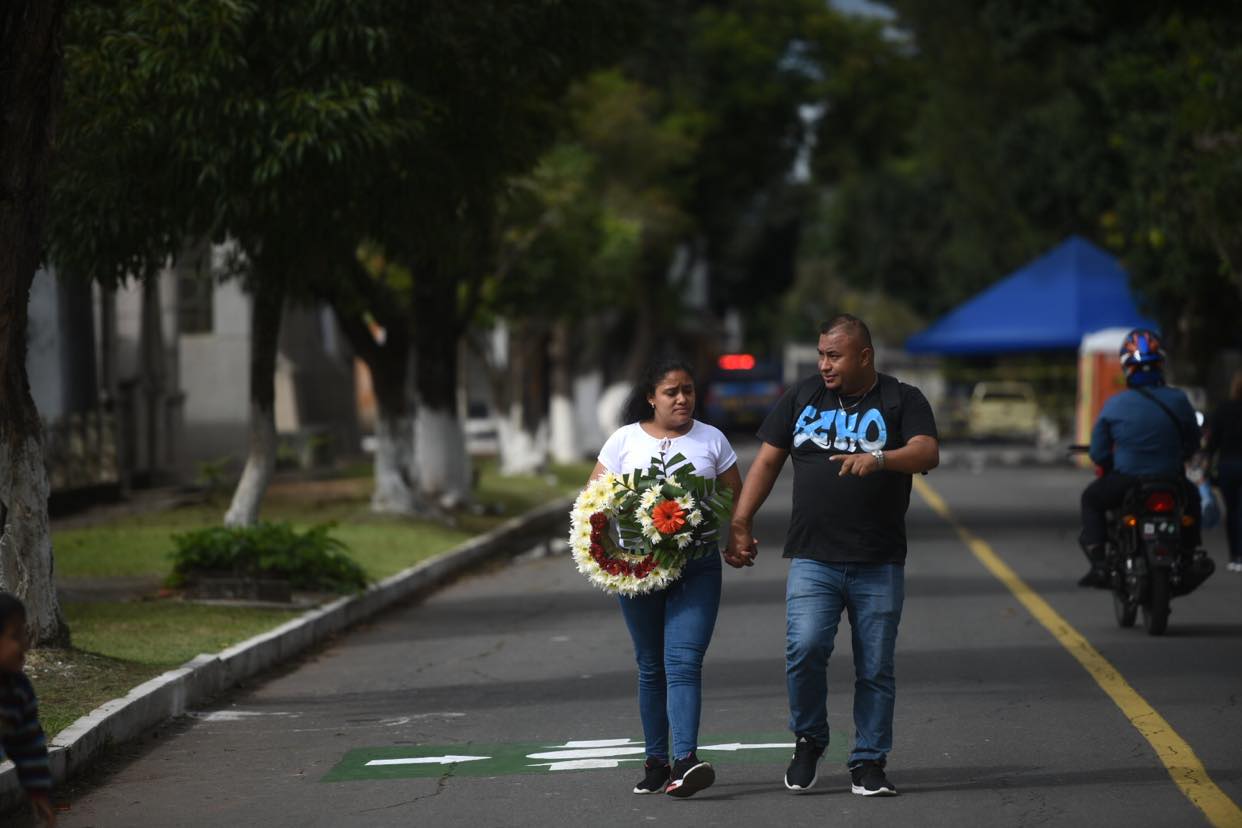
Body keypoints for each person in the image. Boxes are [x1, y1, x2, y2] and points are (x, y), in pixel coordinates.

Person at [726, 315, 939, 797]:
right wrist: (741, 521)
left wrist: (881, 457)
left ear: (865, 356)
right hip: (813, 557)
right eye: (822, 354)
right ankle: (809, 739)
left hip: (878, 559)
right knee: (804, 650)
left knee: (876, 667)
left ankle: (868, 762)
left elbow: (926, 452)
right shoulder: (804, 396)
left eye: (834, 355)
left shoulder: (901, 399)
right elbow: (766, 460)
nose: (824, 364)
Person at [589, 357, 743, 798]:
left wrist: (736, 534)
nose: (682, 399)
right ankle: (656, 761)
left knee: (683, 662)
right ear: (651, 397)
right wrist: (605, 551)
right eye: (672, 392)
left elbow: (734, 493)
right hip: (638, 569)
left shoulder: (712, 439)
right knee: (651, 667)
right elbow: (592, 500)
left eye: (688, 390)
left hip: (697, 567)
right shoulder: (623, 441)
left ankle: (686, 760)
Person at [1078, 329, 1202, 588]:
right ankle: (1189, 560)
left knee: (1091, 499)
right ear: (1160, 363)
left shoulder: (1114, 405)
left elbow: (1099, 453)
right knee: (1192, 499)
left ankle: (1100, 564)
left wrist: (1109, 462)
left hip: (1128, 481)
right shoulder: (1179, 400)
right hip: (1171, 480)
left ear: (1127, 369)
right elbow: (1192, 440)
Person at [0, 593, 55, 826]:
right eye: (15, 636)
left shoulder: (18, 690)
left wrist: (38, 792)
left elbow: (28, 744)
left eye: (24, 634)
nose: (24, 644)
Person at [1205, 370, 1242, 572]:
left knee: (1233, 511)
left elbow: (1213, 441)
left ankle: (1235, 556)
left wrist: (1207, 463)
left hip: (1227, 465)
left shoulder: (1224, 409)